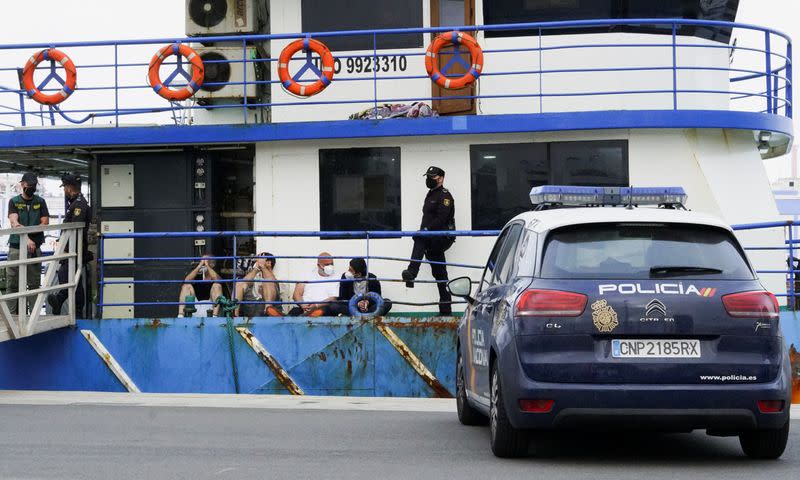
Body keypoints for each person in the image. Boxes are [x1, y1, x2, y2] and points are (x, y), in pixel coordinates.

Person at [401, 166, 455, 315]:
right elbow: (427, 218)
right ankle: (446, 311)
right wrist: (424, 230)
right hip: (431, 237)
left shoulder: (445, 196)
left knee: (419, 239)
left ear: (441, 179)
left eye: (432, 177)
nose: (429, 180)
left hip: (442, 237)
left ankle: (411, 273)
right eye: (428, 177)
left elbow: (441, 219)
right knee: (440, 275)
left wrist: (425, 231)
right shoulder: (430, 194)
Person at [48, 174, 91, 317]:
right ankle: (74, 309)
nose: (64, 190)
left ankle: (61, 300)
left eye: (65, 187)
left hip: (73, 250)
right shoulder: (75, 203)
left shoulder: (78, 205)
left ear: (69, 187)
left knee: (67, 277)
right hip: (72, 249)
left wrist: (66, 249)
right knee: (74, 281)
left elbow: (75, 229)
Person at [6, 172, 49, 314]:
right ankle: (12, 316)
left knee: (34, 284)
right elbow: (14, 222)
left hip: (34, 249)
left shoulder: (40, 202)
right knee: (12, 284)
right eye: (29, 185)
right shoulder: (14, 201)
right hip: (16, 247)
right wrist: (28, 238)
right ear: (22, 185)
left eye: (34, 185)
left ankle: (34, 316)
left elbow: (45, 222)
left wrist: (31, 237)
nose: (32, 187)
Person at [289, 252, 338, 316]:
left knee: (325, 311)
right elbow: (297, 294)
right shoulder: (307, 275)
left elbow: (335, 298)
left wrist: (316, 305)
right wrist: (303, 305)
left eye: (331, 264)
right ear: (318, 265)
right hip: (305, 308)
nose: (330, 267)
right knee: (294, 311)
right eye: (326, 264)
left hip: (324, 309)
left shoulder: (338, 277)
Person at [235, 252, 283, 317]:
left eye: (261, 260)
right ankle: (235, 314)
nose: (257, 261)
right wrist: (256, 268)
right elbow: (244, 282)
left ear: (269, 263)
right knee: (240, 283)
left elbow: (271, 280)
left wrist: (263, 267)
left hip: (268, 307)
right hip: (252, 306)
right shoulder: (255, 275)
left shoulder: (274, 277)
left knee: (268, 282)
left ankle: (268, 310)